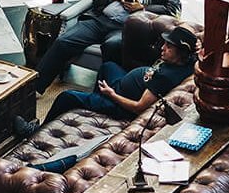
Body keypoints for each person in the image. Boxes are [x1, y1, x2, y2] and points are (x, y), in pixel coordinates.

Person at [32, 0, 182, 94]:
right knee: (63, 41)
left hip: (125, 28)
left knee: (112, 46)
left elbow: (173, 11)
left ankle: (101, 94)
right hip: (100, 20)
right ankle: (34, 89)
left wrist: (142, 8)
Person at [20, 26, 197, 137]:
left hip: (121, 105)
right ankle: (95, 103)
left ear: (181, 52)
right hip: (122, 85)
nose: (162, 48)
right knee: (108, 66)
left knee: (66, 96)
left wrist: (111, 94)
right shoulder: (190, 61)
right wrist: (197, 44)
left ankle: (35, 132)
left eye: (169, 47)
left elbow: (139, 108)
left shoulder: (166, 77)